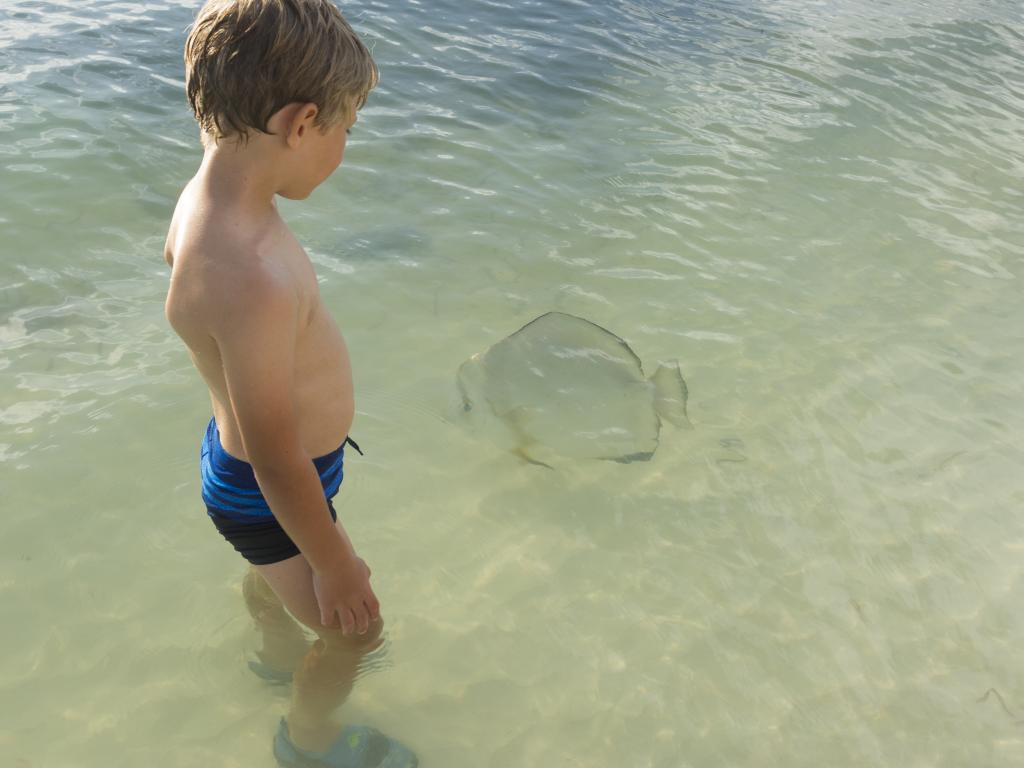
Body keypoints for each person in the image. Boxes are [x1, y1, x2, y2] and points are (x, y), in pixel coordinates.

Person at [162, 1, 415, 765]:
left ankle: (272, 635)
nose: (343, 147)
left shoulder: (213, 202)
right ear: (302, 124)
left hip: (260, 475)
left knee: (281, 572)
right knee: (354, 629)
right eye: (346, 129)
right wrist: (338, 565)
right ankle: (305, 741)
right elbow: (276, 459)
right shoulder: (252, 276)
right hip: (269, 485)